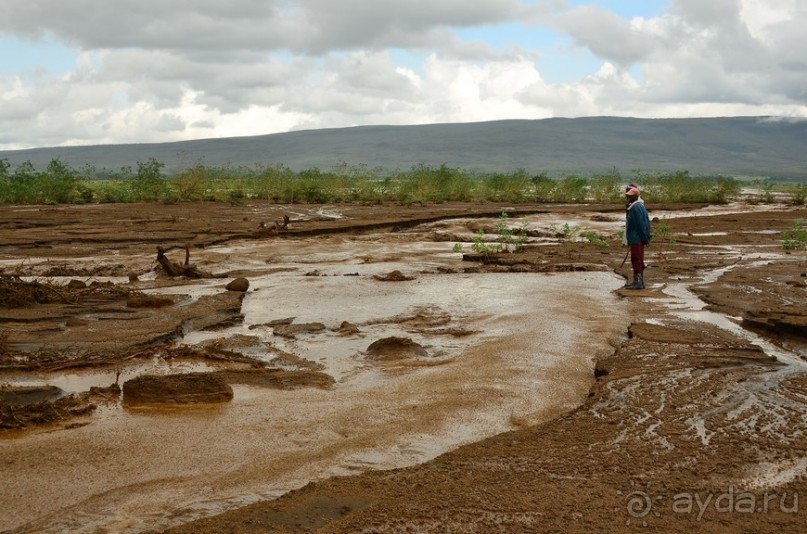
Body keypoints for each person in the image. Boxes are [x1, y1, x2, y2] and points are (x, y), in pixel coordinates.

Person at [623, 185, 651, 289]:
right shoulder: (637, 206)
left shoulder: (636, 207)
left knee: (636, 259)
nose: (628, 197)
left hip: (637, 238)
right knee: (637, 259)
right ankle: (638, 282)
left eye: (630, 196)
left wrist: (645, 239)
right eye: (628, 195)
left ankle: (638, 283)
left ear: (636, 196)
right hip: (637, 238)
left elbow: (641, 225)